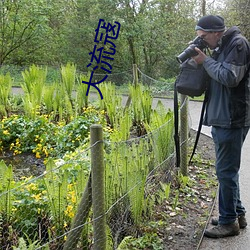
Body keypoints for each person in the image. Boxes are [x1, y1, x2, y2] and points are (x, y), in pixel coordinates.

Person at [192, 15, 250, 238]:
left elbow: (229, 77)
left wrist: (205, 61)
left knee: (225, 171)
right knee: (227, 171)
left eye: (204, 37)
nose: (203, 41)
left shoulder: (238, 44)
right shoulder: (221, 46)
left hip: (232, 118)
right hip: (222, 117)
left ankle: (228, 223)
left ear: (216, 32)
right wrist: (202, 59)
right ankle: (237, 214)